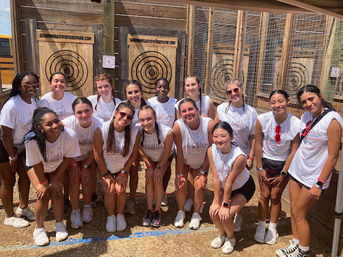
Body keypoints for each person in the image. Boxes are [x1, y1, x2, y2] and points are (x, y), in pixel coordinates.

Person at [276, 85, 343, 257]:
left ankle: (303, 252)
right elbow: (301, 144)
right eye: (304, 101)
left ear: (320, 96)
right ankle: (296, 244)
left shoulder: (333, 120)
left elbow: (333, 156)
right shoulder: (306, 116)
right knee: (294, 210)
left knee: (299, 213)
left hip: (313, 177)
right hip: (297, 170)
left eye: (311, 99)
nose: (308, 103)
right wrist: (287, 168)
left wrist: (319, 183)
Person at [25, 107, 80, 246]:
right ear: (40, 127)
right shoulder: (32, 140)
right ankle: (39, 228)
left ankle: (59, 223)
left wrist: (56, 179)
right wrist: (43, 183)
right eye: (49, 124)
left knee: (57, 191)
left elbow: (68, 158)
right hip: (37, 166)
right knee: (43, 195)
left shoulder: (70, 134)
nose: (55, 126)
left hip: (57, 165)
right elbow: (36, 163)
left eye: (56, 121)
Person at [254, 90, 301, 245]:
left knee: (275, 196)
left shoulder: (296, 123)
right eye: (273, 102)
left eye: (280, 101)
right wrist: (260, 168)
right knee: (264, 195)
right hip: (266, 162)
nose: (277, 105)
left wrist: (283, 173)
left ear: (287, 101)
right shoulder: (262, 119)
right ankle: (261, 226)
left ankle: (273, 228)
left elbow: (294, 151)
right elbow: (258, 145)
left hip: (283, 164)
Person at [214, 79, 257, 232]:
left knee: (239, 183)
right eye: (229, 92)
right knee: (226, 182)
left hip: (241, 157)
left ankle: (238, 213)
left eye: (236, 90)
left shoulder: (251, 112)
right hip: (224, 154)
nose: (233, 94)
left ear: (242, 89)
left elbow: (253, 137)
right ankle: (228, 210)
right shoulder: (221, 109)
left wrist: (251, 157)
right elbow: (215, 127)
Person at [208, 121, 255, 254]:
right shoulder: (211, 151)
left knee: (225, 215)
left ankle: (230, 238)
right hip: (224, 186)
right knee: (214, 213)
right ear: (212, 138)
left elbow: (230, 181)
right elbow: (216, 177)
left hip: (243, 188)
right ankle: (222, 234)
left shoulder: (239, 157)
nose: (219, 140)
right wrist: (216, 201)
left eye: (223, 136)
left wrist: (224, 204)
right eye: (216, 136)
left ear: (231, 137)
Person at [93, 101, 140, 232]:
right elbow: (97, 155)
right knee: (109, 190)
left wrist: (124, 173)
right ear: (115, 113)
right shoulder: (102, 129)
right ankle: (111, 216)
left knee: (120, 190)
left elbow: (133, 156)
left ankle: (120, 214)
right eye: (122, 114)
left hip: (122, 168)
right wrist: (105, 174)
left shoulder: (135, 132)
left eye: (129, 117)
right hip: (106, 168)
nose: (125, 118)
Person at [0, 71, 39, 228]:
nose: (32, 87)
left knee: (25, 176)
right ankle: (9, 216)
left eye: (35, 84)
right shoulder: (12, 106)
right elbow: (5, 135)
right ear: (18, 86)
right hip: (6, 146)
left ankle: (23, 208)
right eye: (27, 84)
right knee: (8, 181)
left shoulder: (34, 101)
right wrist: (12, 156)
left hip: (24, 146)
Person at [176, 74, 215, 213]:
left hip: (203, 143)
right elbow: (180, 124)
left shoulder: (207, 101)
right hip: (189, 143)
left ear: (199, 85)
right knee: (188, 175)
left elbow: (212, 123)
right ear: (185, 88)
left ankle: (196, 200)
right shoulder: (180, 103)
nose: (191, 87)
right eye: (188, 85)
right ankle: (190, 197)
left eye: (193, 84)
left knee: (198, 174)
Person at [173, 98, 214, 230]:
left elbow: (211, 150)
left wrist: (204, 172)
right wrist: (179, 173)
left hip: (202, 160)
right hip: (185, 160)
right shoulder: (178, 126)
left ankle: (196, 214)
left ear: (197, 110)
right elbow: (179, 151)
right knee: (180, 184)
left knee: (200, 185)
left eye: (191, 109)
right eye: (184, 111)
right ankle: (180, 212)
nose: (188, 113)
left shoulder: (208, 124)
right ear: (180, 114)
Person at [39, 72, 76, 210]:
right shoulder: (44, 101)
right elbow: (39, 121)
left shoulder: (72, 99)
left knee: (65, 171)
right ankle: (50, 198)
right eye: (56, 81)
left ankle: (65, 197)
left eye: (62, 81)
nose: (59, 84)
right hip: (50, 141)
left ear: (66, 85)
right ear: (50, 83)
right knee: (50, 171)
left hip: (66, 140)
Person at [63, 97, 102, 229]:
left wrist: (86, 166)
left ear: (92, 110)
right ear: (74, 113)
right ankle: (75, 211)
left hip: (88, 156)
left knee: (87, 179)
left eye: (87, 111)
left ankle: (86, 206)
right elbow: (64, 147)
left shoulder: (99, 124)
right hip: (71, 156)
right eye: (79, 112)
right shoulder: (67, 124)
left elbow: (97, 148)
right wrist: (74, 165)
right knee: (74, 181)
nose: (84, 115)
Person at [138, 106, 173, 227]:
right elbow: (138, 148)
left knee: (157, 179)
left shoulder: (167, 132)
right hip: (150, 158)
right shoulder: (138, 131)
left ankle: (157, 210)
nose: (145, 123)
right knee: (149, 178)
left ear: (155, 118)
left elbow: (168, 152)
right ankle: (149, 209)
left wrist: (159, 168)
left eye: (149, 119)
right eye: (142, 120)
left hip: (163, 157)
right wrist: (148, 165)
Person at [148, 78, 177, 206]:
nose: (162, 89)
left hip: (168, 143)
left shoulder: (174, 103)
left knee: (166, 168)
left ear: (169, 89)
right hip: (153, 143)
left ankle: (163, 192)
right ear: (155, 89)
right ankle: (153, 193)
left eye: (165, 87)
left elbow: (176, 122)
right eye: (159, 87)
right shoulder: (150, 103)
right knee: (154, 168)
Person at [124, 80, 149, 214]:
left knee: (138, 172)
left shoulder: (148, 107)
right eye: (130, 92)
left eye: (136, 91)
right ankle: (121, 198)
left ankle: (132, 200)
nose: (133, 95)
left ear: (141, 92)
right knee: (129, 170)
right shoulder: (122, 108)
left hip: (144, 145)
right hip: (128, 145)